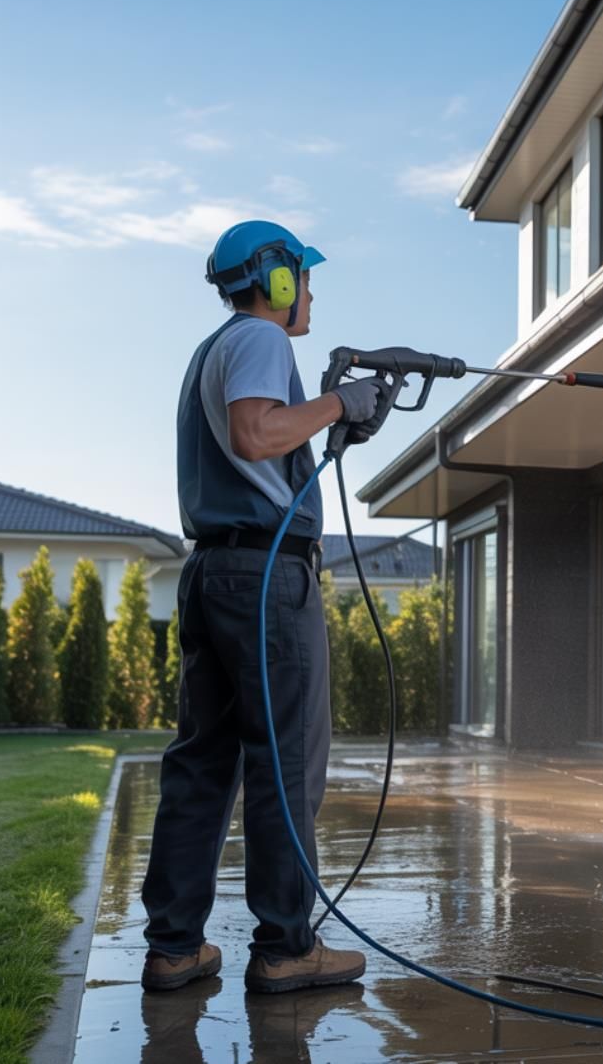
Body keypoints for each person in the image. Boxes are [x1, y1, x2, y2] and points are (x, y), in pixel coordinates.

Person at [140, 221, 385, 993]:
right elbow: (255, 435)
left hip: (212, 570)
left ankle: (175, 946)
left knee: (203, 762)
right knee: (283, 765)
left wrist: (330, 417)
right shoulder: (260, 340)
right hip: (263, 576)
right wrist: (337, 401)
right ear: (277, 282)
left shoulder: (211, 351)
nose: (309, 292)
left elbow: (261, 443)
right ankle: (286, 947)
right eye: (304, 279)